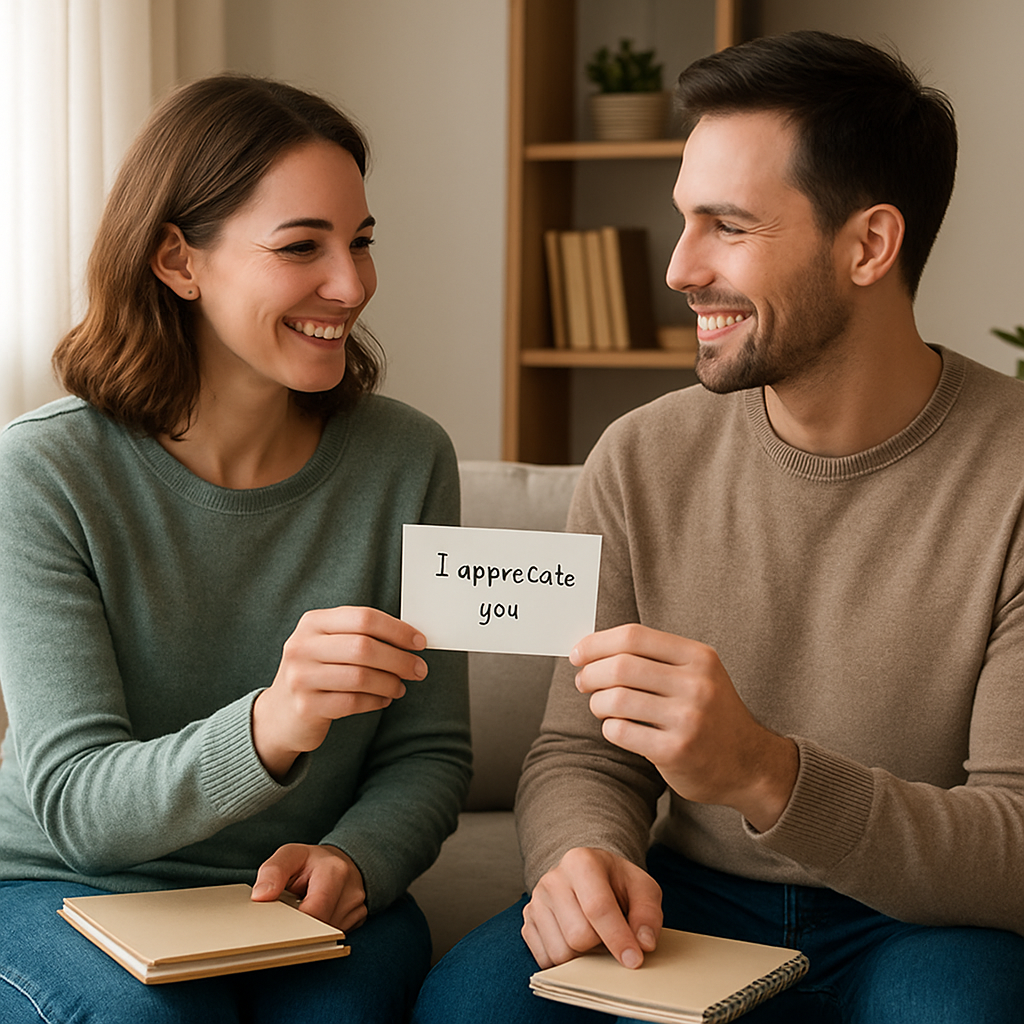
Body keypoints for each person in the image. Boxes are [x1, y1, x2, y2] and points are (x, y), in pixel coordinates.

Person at [412, 29, 1024, 1024]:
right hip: (689, 902)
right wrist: (583, 853)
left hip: (923, 922)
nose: (678, 268)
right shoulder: (639, 457)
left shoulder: (1012, 476)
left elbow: (1013, 843)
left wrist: (764, 772)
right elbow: (581, 750)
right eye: (682, 220)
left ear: (868, 244)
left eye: (726, 227)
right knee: (470, 1007)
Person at [0, 73, 471, 1023]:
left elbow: (430, 751)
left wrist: (357, 858)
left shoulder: (408, 459)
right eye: (303, 247)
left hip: (300, 900)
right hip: (67, 891)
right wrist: (275, 721)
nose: (352, 284)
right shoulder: (46, 471)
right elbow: (79, 806)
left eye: (361, 242)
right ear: (179, 260)